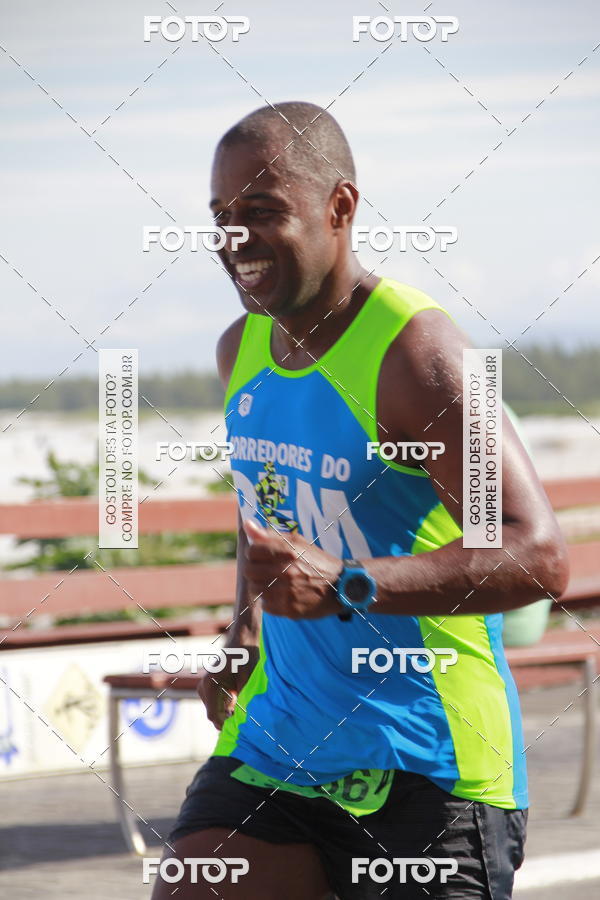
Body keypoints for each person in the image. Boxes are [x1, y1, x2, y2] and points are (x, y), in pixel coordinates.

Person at [151, 101, 568, 899]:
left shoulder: (418, 352)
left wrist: (349, 581)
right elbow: (266, 516)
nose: (234, 239)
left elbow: (537, 553)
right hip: (282, 744)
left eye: (262, 212)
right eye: (222, 217)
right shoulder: (241, 350)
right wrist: (244, 627)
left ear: (339, 207)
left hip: (428, 762)